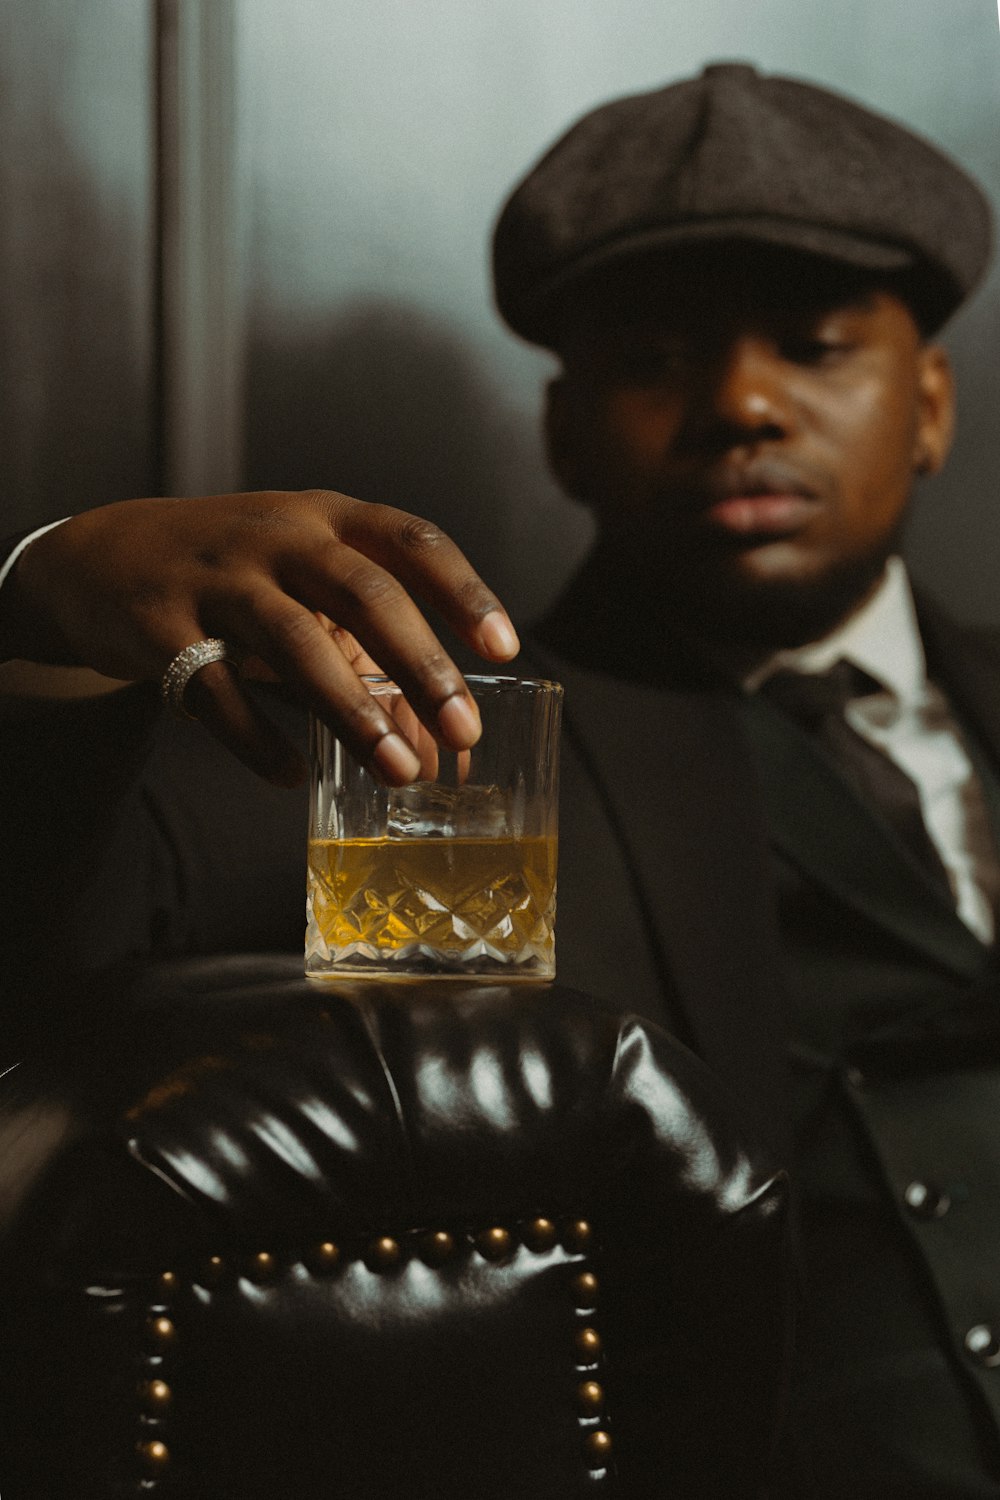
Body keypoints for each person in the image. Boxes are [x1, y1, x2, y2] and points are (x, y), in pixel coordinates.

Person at [1, 60, 998, 1495]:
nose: (742, 405)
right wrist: (40, 611)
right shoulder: (407, 761)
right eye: (655, 359)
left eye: (813, 343)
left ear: (933, 407)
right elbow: (44, 961)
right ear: (560, 430)